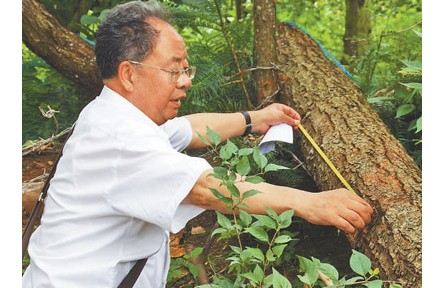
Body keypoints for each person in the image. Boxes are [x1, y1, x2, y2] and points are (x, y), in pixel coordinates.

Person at [22, 1, 373, 287]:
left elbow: (188, 128)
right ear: (129, 74)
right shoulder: (118, 135)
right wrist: (308, 202)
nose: (186, 81)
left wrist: (255, 119)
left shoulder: (124, 117)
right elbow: (205, 189)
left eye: (187, 69)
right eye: (174, 70)